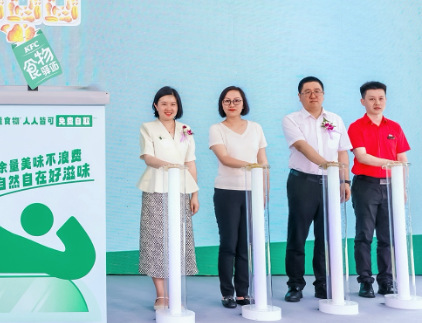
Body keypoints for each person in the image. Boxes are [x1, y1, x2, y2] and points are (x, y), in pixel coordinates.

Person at [281, 76, 352, 302]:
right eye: (307, 92)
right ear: (299, 96)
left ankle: (323, 284)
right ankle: (295, 285)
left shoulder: (335, 119)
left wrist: (345, 180)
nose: (313, 95)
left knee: (326, 237)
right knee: (298, 235)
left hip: (330, 183)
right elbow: (301, 146)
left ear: (323, 94)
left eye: (317, 91)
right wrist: (327, 165)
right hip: (303, 182)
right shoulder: (292, 119)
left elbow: (342, 152)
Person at [137, 86, 199, 310]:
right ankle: (161, 295)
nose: (168, 108)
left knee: (178, 240)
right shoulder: (148, 127)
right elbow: (148, 157)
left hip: (180, 190)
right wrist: (171, 166)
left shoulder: (185, 129)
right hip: (156, 188)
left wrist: (195, 193)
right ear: (156, 105)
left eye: (173, 104)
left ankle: (175, 292)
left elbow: (190, 162)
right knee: (155, 240)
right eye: (164, 104)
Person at [209, 86, 269, 309]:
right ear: (222, 105)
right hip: (227, 191)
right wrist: (251, 166)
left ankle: (243, 292)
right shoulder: (217, 129)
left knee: (245, 245)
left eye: (236, 100)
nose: (232, 104)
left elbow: (264, 162)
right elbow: (225, 158)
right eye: (227, 101)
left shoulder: (255, 128)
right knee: (229, 243)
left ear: (244, 103)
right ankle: (227, 293)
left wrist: (264, 191)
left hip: (252, 192)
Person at [347, 81, 409, 298]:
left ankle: (386, 281)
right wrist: (390, 164)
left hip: (390, 186)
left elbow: (402, 159)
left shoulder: (395, 127)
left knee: (387, 237)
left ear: (385, 100)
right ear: (362, 101)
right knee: (364, 235)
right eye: (371, 99)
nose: (377, 102)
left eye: (381, 98)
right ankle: (365, 282)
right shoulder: (356, 127)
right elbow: (362, 156)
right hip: (366, 185)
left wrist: (402, 187)